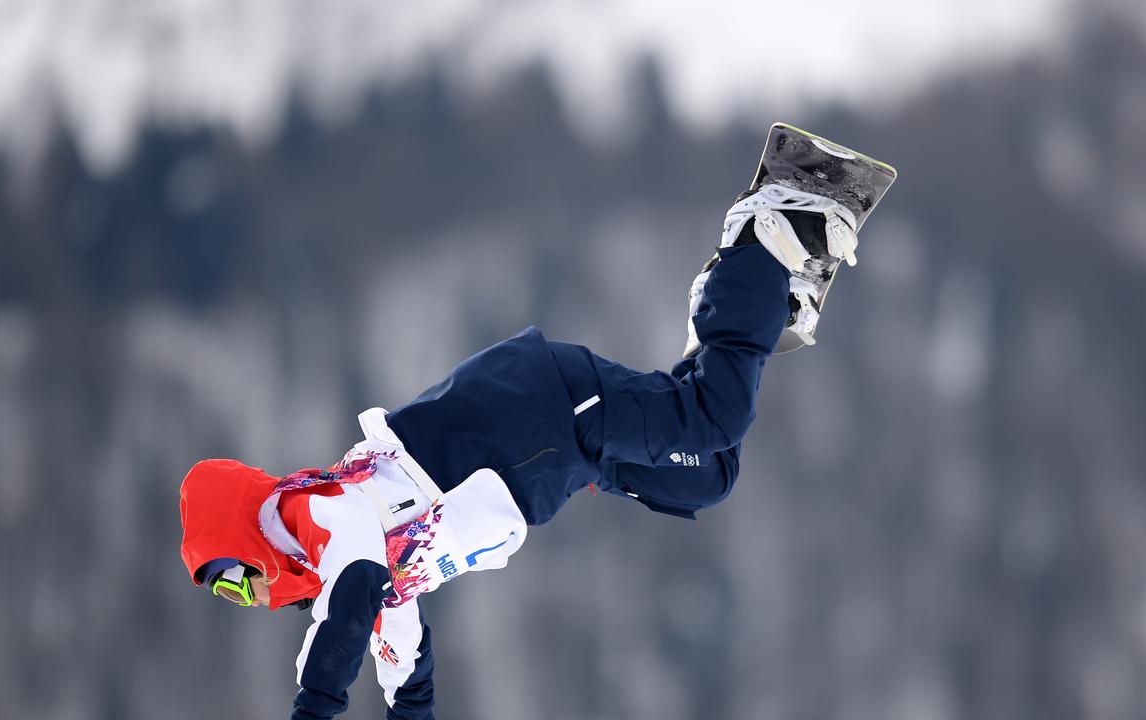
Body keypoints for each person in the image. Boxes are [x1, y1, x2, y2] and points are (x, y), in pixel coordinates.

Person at [178, 128, 880, 720]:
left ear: (249, 534)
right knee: (707, 477)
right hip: (562, 460)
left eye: (236, 581)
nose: (251, 599)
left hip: (540, 410)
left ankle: (769, 229)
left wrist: (316, 707)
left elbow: (350, 605)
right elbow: (405, 669)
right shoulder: (348, 570)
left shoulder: (316, 513)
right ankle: (741, 296)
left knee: (712, 418)